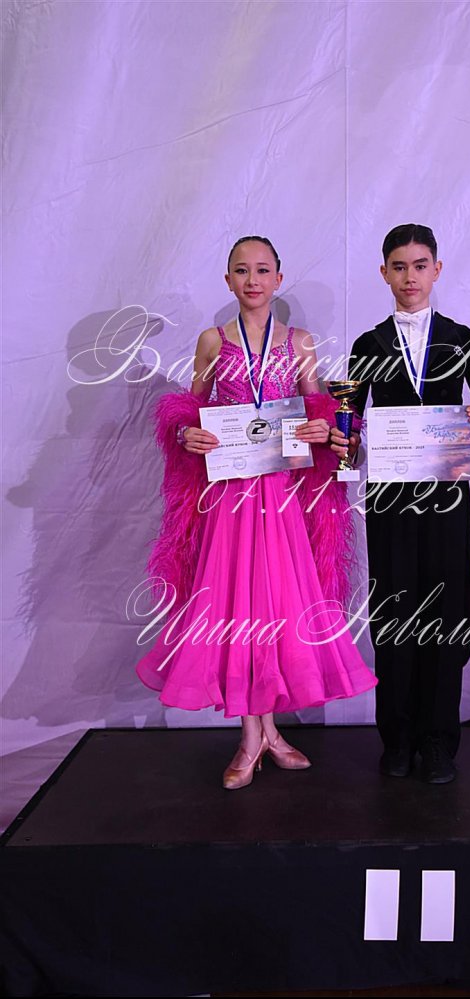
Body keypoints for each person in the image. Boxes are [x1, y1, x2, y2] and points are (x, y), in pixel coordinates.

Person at [135, 235, 377, 789]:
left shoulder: (299, 342)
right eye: (242, 271)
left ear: (278, 278)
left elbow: (319, 408)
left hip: (283, 496)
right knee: (233, 604)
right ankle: (252, 735)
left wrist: (324, 426)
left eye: (262, 270)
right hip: (230, 497)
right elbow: (190, 408)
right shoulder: (212, 341)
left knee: (279, 605)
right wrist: (186, 432)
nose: (252, 280)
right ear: (228, 280)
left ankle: (268, 732)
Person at [331, 224, 470, 784]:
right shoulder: (368, 345)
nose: (409, 277)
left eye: (419, 265)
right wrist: (345, 443)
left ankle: (438, 741)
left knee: (446, 614)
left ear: (436, 269)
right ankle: (397, 738)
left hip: (446, 500)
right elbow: (350, 423)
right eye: (399, 266)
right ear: (383, 273)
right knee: (393, 613)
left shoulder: (461, 339)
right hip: (388, 501)